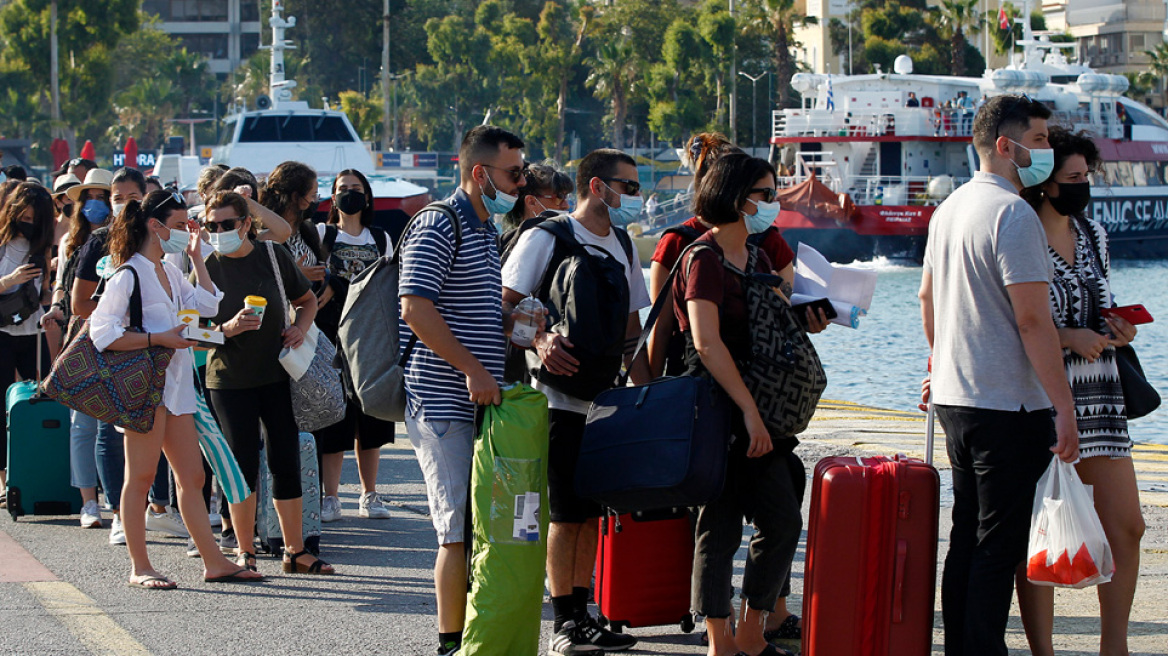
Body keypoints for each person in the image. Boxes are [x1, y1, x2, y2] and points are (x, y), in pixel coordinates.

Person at [918, 94, 1079, 656]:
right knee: (998, 543)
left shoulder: (950, 209)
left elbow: (927, 298)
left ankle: (963, 644)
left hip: (959, 398)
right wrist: (1063, 406)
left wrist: (941, 363)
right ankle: (981, 647)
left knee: (968, 535)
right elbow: (1033, 320)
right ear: (1006, 147)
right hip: (1009, 404)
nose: (1047, 151)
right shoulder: (1012, 214)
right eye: (1039, 141)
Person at [502, 149, 651, 655]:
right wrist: (539, 341)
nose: (635, 195)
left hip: (604, 400)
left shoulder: (625, 243)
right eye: (627, 186)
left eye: (636, 186)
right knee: (565, 514)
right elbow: (503, 302)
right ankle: (562, 621)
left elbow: (633, 329)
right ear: (597, 185)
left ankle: (583, 613)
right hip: (554, 398)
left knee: (591, 515)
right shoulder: (547, 235)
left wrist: (645, 396)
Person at [89, 190, 264, 589]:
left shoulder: (168, 268)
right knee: (141, 477)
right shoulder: (128, 273)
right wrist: (159, 339)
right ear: (156, 225)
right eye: (183, 224)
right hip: (144, 389)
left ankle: (215, 562)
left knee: (193, 478)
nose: (190, 230)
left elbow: (208, 305)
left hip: (178, 386)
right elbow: (102, 333)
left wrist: (198, 257)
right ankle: (140, 566)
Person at [1015, 128, 1145, 656]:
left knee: (1128, 525)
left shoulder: (1093, 233)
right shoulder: (1022, 235)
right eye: (1073, 178)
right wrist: (1067, 336)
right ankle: (1043, 651)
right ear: (1046, 184)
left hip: (1103, 394)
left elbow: (1100, 300)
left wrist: (1118, 328)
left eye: (1086, 176)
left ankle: (1114, 646)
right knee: (1042, 530)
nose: (1083, 186)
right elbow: (1018, 321)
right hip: (1048, 393)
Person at [399, 125, 524, 656]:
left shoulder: (482, 230)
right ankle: (449, 643)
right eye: (513, 173)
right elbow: (416, 308)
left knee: (480, 527)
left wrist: (514, 319)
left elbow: (467, 305)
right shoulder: (439, 224)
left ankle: (475, 633)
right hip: (444, 403)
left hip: (479, 403)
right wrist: (473, 369)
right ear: (480, 173)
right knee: (455, 530)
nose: (521, 182)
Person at [673, 154, 803, 656]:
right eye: (765, 194)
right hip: (717, 411)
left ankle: (751, 632)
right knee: (718, 526)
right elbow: (705, 342)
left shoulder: (760, 258)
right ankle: (719, 641)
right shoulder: (702, 258)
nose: (773, 204)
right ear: (734, 195)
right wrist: (747, 411)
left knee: (782, 520)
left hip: (761, 411)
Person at [199, 191, 332, 576]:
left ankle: (295, 551)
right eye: (213, 226)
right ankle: (245, 551)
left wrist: (299, 328)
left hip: (276, 374)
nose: (220, 232)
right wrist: (226, 328)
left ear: (246, 224)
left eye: (227, 224)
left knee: (284, 459)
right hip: (229, 380)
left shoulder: (273, 256)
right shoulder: (206, 265)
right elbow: (192, 331)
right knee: (241, 466)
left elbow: (308, 299)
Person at [69, 167, 189, 542]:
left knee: (175, 463)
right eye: (115, 198)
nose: (123, 204)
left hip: (163, 365)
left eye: (131, 197)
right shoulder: (103, 243)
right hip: (122, 357)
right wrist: (131, 323)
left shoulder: (166, 256)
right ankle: (122, 517)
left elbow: (188, 300)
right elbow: (81, 304)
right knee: (113, 437)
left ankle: (159, 508)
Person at [313, 169, 393, 522]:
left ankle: (370, 493)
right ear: (332, 197)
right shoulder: (322, 235)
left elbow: (391, 283)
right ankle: (331, 497)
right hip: (329, 335)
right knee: (334, 416)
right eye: (343, 189)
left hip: (370, 337)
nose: (349, 194)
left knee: (371, 417)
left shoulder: (381, 238)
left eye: (356, 189)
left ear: (368, 196)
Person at [0, 183, 55, 513]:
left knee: (44, 393)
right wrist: (11, 280)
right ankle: (4, 477)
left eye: (34, 218)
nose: (27, 222)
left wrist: (48, 298)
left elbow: (45, 291)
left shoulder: (42, 247)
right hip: (1, 331)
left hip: (31, 329)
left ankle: (39, 468)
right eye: (22, 216)